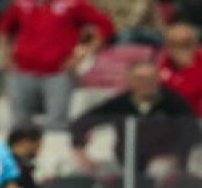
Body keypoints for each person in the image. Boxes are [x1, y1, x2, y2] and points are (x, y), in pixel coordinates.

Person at [0, 0, 115, 128]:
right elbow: (4, 29)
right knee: (19, 122)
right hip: (23, 70)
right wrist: (5, 56)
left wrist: (85, 54)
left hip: (58, 72)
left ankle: (54, 155)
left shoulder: (72, 1)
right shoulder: (21, 1)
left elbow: (106, 26)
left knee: (57, 123)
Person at [70, 60, 201, 174]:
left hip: (164, 162)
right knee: (85, 170)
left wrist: (176, 156)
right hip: (125, 163)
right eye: (140, 79)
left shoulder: (173, 102)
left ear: (157, 79)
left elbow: (192, 132)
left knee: (159, 170)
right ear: (130, 80)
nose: (146, 83)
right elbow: (81, 123)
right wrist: (81, 152)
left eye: (150, 78)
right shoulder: (120, 103)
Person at [7, 124, 61, 188]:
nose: (40, 148)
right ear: (25, 142)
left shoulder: (24, 167)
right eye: (38, 143)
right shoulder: (12, 170)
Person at [159, 23, 202, 114]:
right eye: (174, 44)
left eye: (185, 44)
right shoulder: (163, 64)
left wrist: (187, 67)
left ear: (195, 45)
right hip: (169, 119)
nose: (179, 49)